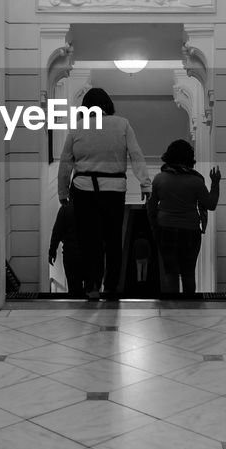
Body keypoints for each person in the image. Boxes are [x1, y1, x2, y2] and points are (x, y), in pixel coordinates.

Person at [57, 88, 150, 299]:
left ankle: (92, 286)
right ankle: (111, 286)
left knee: (90, 240)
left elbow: (65, 163)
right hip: (114, 189)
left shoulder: (77, 128)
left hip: (83, 189)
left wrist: (63, 191)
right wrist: (145, 184)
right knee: (113, 239)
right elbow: (136, 154)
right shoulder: (122, 124)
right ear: (108, 105)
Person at [146, 139, 221, 296]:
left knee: (170, 272)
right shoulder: (196, 181)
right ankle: (189, 305)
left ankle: (172, 305)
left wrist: (155, 227)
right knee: (188, 272)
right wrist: (215, 183)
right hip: (190, 230)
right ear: (189, 157)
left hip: (165, 229)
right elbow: (211, 204)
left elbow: (151, 207)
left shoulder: (160, 179)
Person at [47, 200, 85, 297]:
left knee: (74, 288)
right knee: (91, 288)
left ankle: (77, 308)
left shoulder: (65, 209)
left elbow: (57, 231)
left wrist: (52, 251)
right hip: (89, 254)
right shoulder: (93, 206)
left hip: (71, 253)